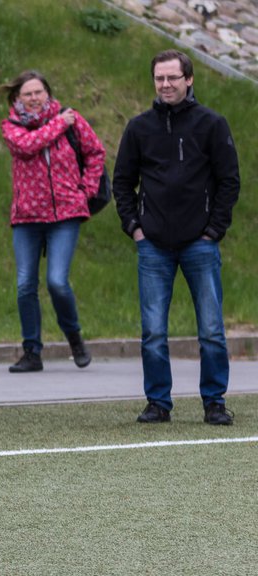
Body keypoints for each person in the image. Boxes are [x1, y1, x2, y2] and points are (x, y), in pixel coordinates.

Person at [113, 50, 240, 426]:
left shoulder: (212, 124)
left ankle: (214, 402)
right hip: (152, 245)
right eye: (159, 78)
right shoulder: (139, 128)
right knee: (153, 331)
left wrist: (213, 230)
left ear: (189, 79)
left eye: (172, 78)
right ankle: (158, 403)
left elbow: (229, 181)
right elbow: (121, 181)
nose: (165, 85)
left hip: (200, 244)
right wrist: (134, 227)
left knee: (212, 330)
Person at [0, 71, 104, 374]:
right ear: (17, 98)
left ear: (48, 93)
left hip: (65, 214)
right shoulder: (12, 126)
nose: (33, 98)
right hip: (27, 216)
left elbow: (95, 152)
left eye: (38, 92)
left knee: (57, 281)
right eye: (27, 94)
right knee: (24, 285)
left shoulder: (73, 119)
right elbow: (29, 145)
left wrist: (86, 191)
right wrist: (60, 123)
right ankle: (32, 351)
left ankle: (74, 338)